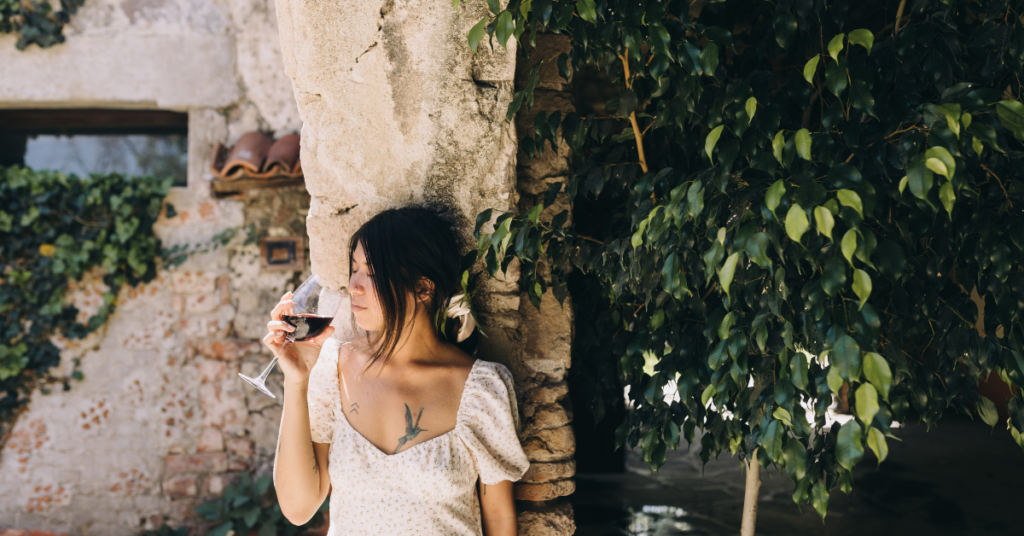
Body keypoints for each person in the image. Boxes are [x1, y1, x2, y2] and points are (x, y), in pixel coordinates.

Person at [263, 206, 531, 535]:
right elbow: (298, 509)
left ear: (423, 288)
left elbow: (500, 518)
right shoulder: (332, 369)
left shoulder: (481, 389)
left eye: (372, 273)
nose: (353, 286)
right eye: (354, 269)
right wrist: (297, 380)